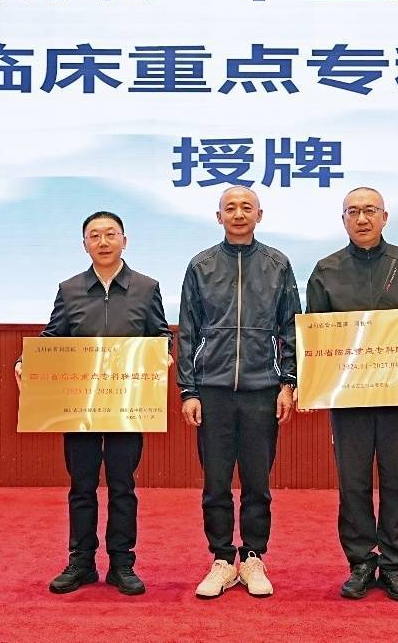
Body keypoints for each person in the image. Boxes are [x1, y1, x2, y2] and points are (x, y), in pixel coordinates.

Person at [304, 186, 398, 602]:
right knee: (352, 482)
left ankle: (394, 564)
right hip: (348, 396)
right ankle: (360, 562)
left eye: (370, 210)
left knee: (397, 481)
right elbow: (313, 334)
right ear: (343, 220)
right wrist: (311, 384)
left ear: (385, 217)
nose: (362, 218)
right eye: (353, 212)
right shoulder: (326, 270)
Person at [14, 210, 170, 596]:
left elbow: (160, 334)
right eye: (94, 235)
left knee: (122, 485)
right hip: (78, 404)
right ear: (84, 244)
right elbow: (53, 336)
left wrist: (163, 354)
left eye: (110, 234)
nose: (103, 242)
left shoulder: (146, 287)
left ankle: (122, 563)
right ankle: (81, 562)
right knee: (82, 485)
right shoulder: (69, 290)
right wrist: (26, 361)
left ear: (124, 240)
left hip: (127, 405)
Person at [177, 185, 300, 599]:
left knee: (257, 483)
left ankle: (252, 557)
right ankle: (221, 559)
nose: (239, 214)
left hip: (262, 389)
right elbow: (187, 331)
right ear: (219, 217)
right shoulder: (201, 265)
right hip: (212, 390)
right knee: (215, 483)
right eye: (230, 208)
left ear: (259, 215)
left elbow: (291, 328)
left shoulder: (277, 264)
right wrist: (188, 390)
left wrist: (288, 382)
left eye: (247, 207)